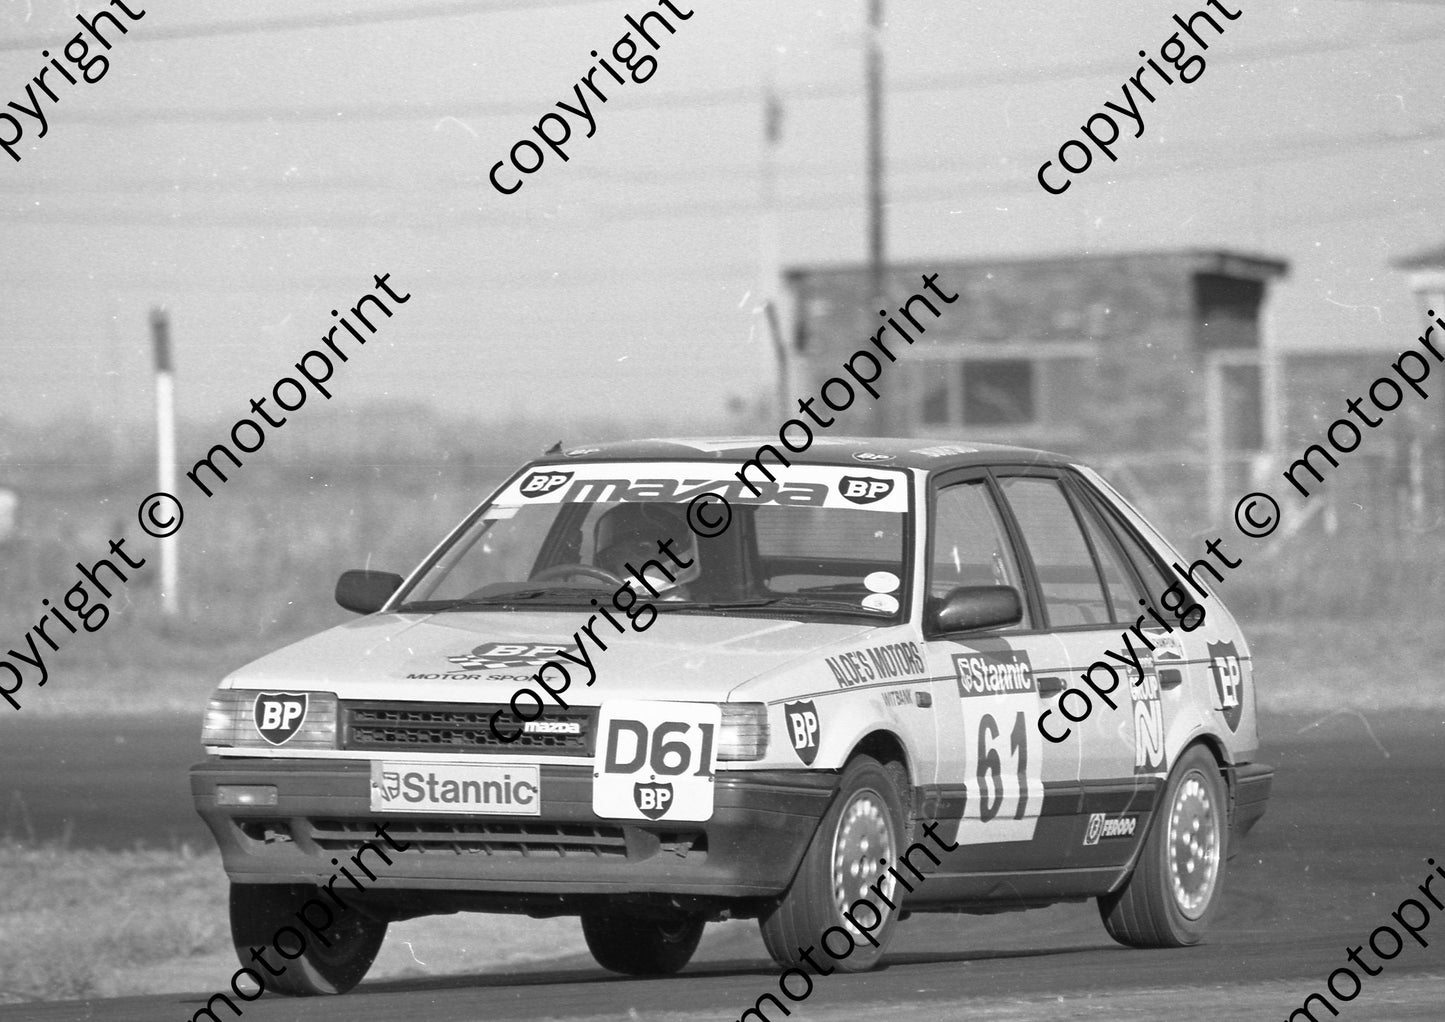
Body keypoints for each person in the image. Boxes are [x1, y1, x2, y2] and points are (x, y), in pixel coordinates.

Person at [592, 503, 700, 597]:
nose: (625, 560)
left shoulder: (685, 613)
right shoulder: (595, 600)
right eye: (615, 553)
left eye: (642, 549)